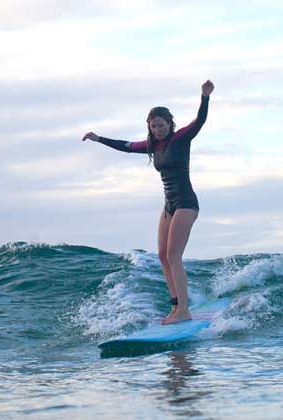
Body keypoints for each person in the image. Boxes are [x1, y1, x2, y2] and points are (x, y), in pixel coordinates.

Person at [82, 80, 214, 324]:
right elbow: (127, 146)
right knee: (163, 256)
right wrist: (99, 138)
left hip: (186, 202)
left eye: (161, 125)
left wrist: (205, 97)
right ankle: (176, 306)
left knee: (174, 256)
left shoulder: (180, 139)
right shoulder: (153, 145)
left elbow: (200, 122)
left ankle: (184, 310)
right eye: (153, 127)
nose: (157, 130)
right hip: (169, 206)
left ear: (169, 124)